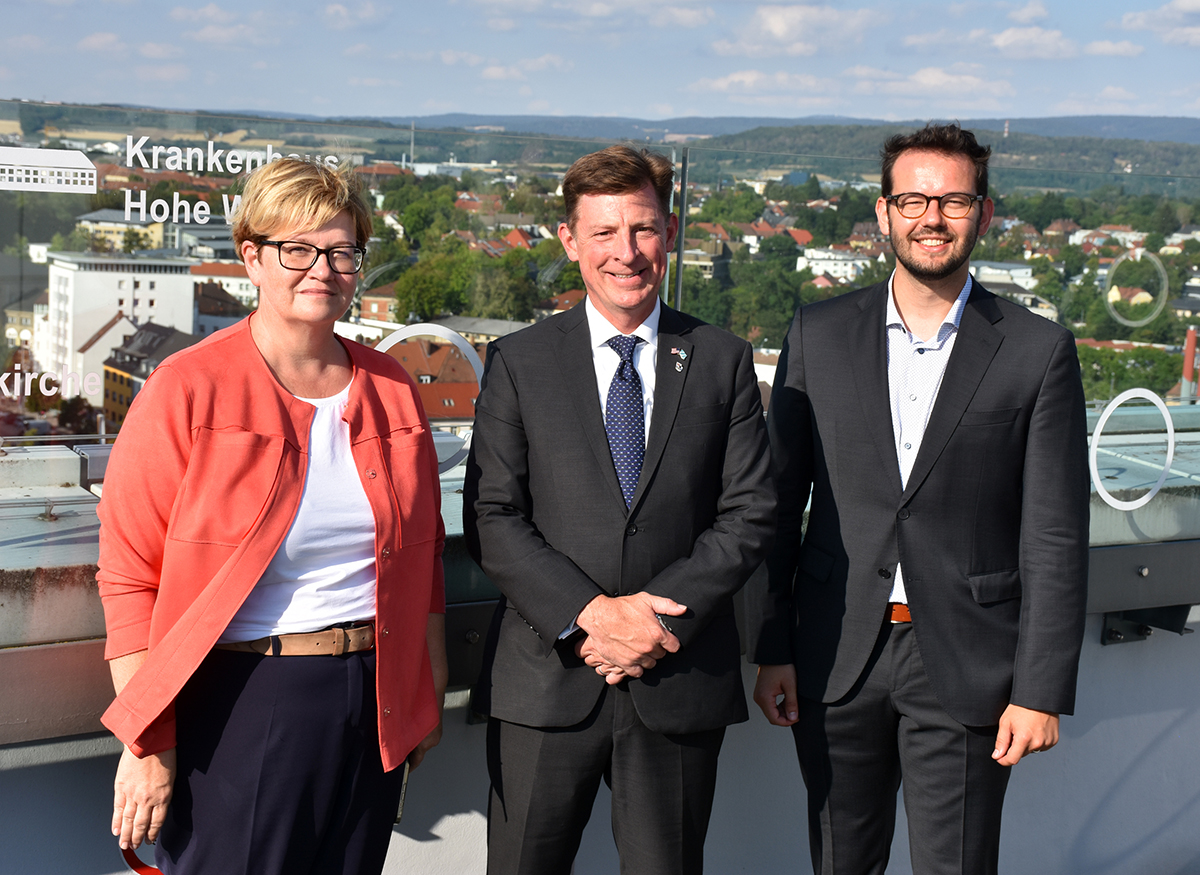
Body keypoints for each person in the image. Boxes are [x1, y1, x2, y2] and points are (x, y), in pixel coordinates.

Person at [746, 123, 1089, 875]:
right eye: (913, 198)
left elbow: (1055, 535)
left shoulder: (1037, 350)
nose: (931, 216)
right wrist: (771, 645)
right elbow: (775, 504)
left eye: (953, 199)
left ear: (984, 214)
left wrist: (1040, 689)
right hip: (837, 654)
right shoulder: (820, 332)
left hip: (968, 664)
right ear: (882, 213)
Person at [97, 157, 448, 875]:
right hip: (244, 702)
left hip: (374, 700)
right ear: (251, 258)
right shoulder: (187, 387)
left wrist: (426, 690)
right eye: (297, 249)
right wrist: (147, 741)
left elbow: (423, 554)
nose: (322, 268)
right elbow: (130, 578)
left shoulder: (392, 388)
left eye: (342, 250)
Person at [463, 144, 775, 875]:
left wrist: (651, 621)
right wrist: (595, 615)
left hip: (675, 680)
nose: (625, 252)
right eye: (604, 232)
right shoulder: (519, 360)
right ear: (570, 240)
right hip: (546, 678)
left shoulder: (722, 359)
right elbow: (494, 516)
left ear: (668, 232)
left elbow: (751, 513)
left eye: (641, 229)